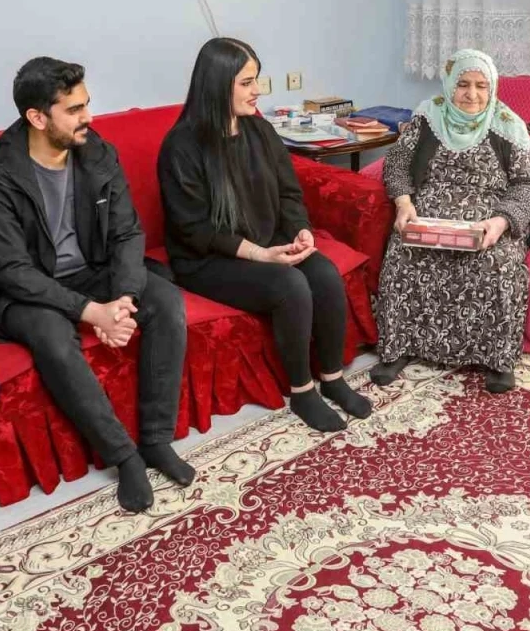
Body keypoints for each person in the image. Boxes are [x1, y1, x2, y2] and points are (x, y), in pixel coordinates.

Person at [0, 57, 192, 514]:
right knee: (53, 337)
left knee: (165, 301)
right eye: (73, 110)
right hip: (23, 289)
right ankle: (124, 456)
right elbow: (12, 270)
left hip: (90, 269)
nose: (88, 117)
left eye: (86, 104)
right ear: (37, 118)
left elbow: (127, 234)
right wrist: (94, 313)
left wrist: (124, 299)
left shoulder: (98, 153)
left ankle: (155, 439)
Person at [158, 37, 371, 433]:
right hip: (207, 259)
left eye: (256, 79)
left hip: (267, 241)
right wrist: (260, 254)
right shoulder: (181, 147)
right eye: (246, 82)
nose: (257, 90)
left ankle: (332, 378)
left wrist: (301, 230)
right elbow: (194, 228)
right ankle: (302, 391)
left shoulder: (259, 129)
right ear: (216, 84)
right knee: (290, 285)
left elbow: (289, 192)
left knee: (324, 274)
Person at [370, 48, 530, 393]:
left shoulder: (509, 125)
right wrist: (403, 204)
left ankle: (497, 359)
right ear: (450, 85)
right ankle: (399, 347)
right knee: (403, 255)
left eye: (481, 85)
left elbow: (528, 185)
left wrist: (501, 222)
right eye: (463, 84)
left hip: (489, 219)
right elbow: (397, 164)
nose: (472, 94)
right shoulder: (428, 117)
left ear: (492, 88)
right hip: (427, 214)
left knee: (496, 264)